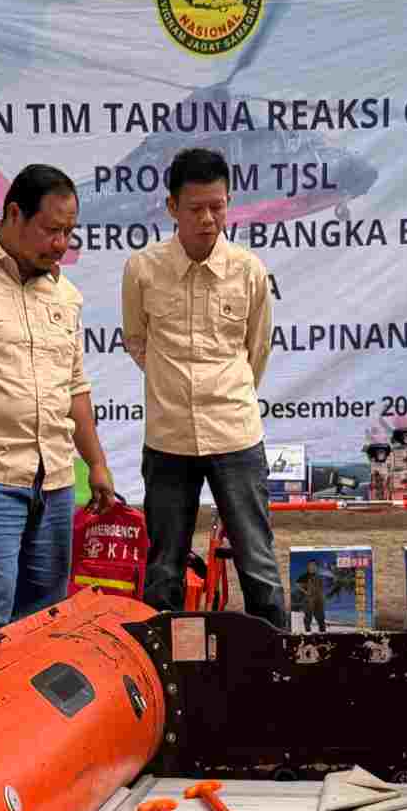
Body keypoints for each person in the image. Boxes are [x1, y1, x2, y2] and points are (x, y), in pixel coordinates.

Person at [0, 163, 120, 652]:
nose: (61, 244)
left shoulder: (65, 295)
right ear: (13, 214)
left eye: (69, 232)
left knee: (44, 614)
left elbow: (75, 388)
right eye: (51, 230)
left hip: (56, 480)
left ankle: (19, 721)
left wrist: (96, 464)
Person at [123, 148, 286, 626]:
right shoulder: (142, 269)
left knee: (258, 563)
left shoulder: (249, 271)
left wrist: (225, 392)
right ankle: (162, 677)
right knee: (163, 569)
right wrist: (172, 387)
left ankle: (278, 667)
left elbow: (257, 351)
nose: (208, 219)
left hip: (235, 434)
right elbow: (137, 341)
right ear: (171, 207)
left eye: (218, 206)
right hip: (168, 438)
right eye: (195, 208)